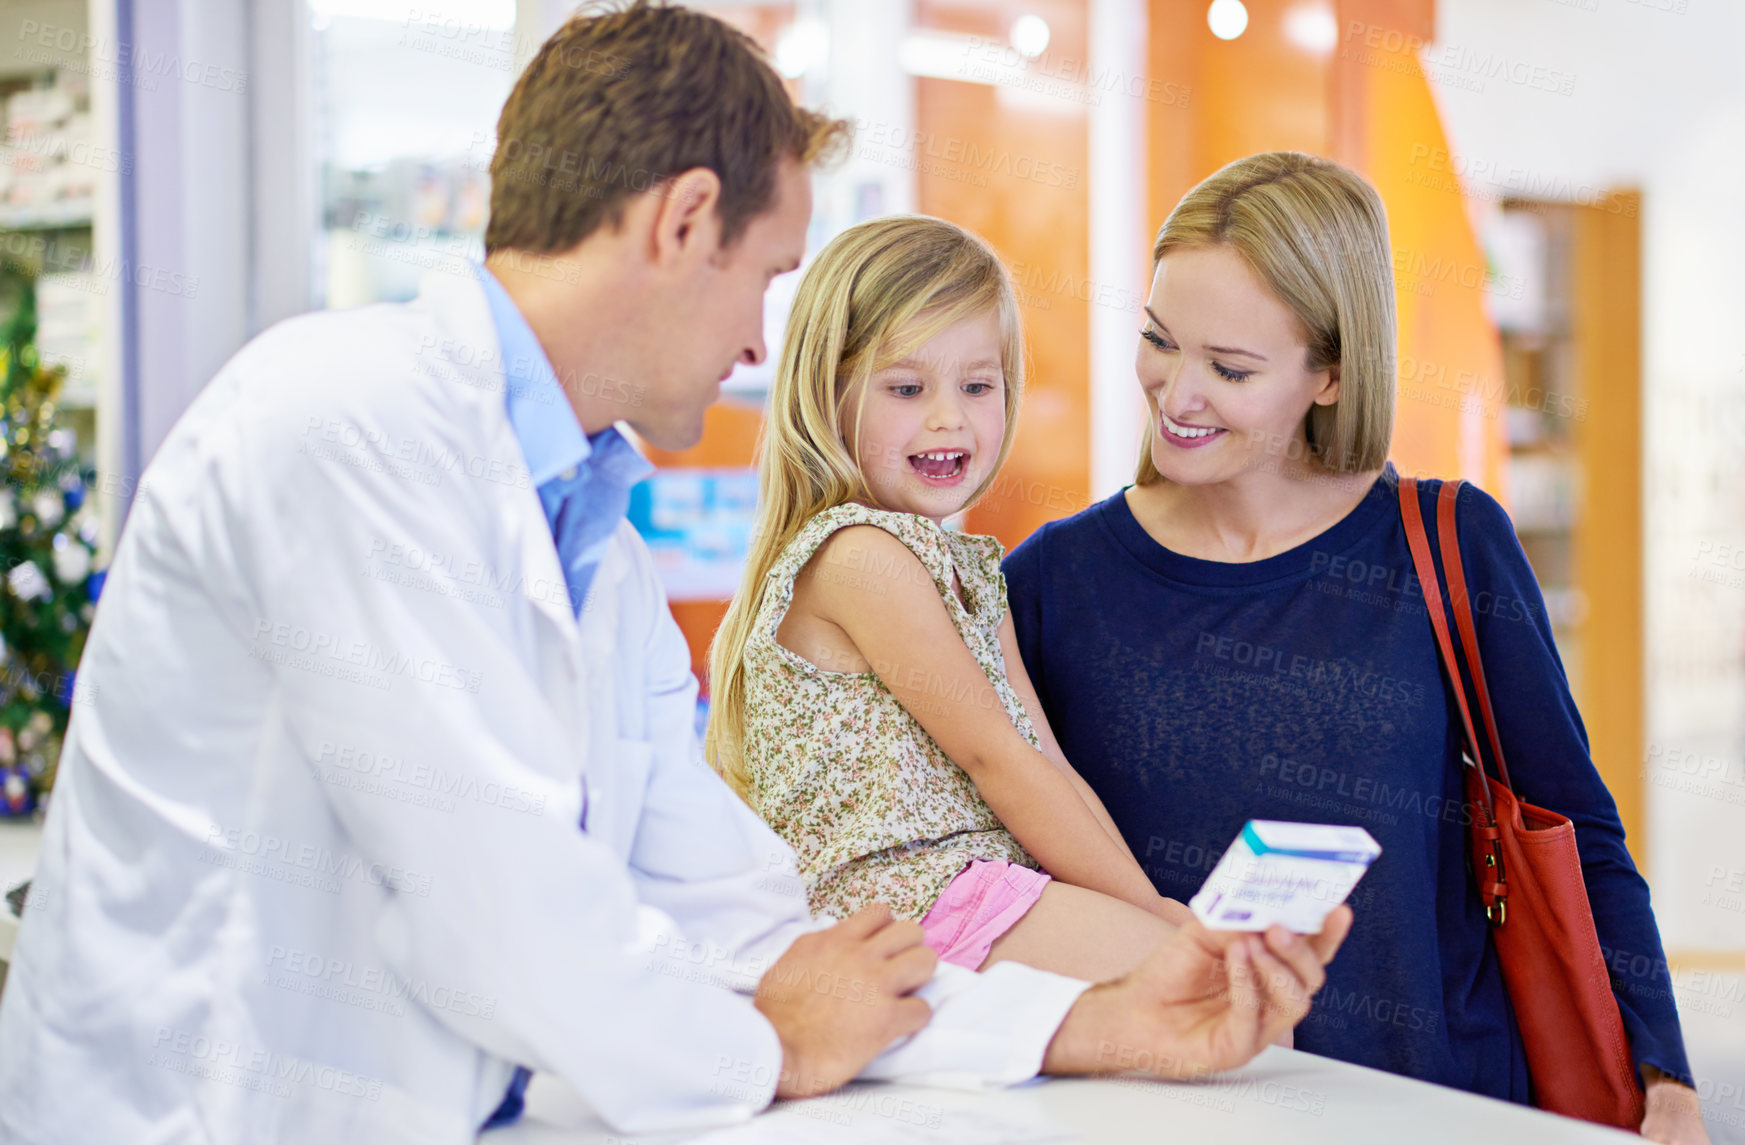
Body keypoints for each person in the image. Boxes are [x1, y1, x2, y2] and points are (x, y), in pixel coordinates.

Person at [0, 13, 1349, 1145]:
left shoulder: (593, 525)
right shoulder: (339, 422)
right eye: (764, 274)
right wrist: (770, 1047)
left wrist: (1096, 1019)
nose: (762, 337)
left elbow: (725, 895)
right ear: (684, 222)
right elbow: (501, 900)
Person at [1001, 151, 1708, 1145]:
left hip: (1447, 1103)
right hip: (1168, 1110)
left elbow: (1578, 829)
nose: (1175, 392)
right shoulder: (1046, 581)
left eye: (1230, 367)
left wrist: (1661, 1075)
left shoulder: (1446, 542)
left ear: (1329, 372)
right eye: (1158, 340)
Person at [706, 215, 1201, 987]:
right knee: (1191, 981)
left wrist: (1147, 903)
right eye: (907, 387)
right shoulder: (858, 556)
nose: (949, 417)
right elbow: (996, 759)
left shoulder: (969, 568)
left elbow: (1045, 759)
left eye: (977, 385)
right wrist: (1148, 909)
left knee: (1188, 974)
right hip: (901, 903)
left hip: (975, 887)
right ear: (826, 394)